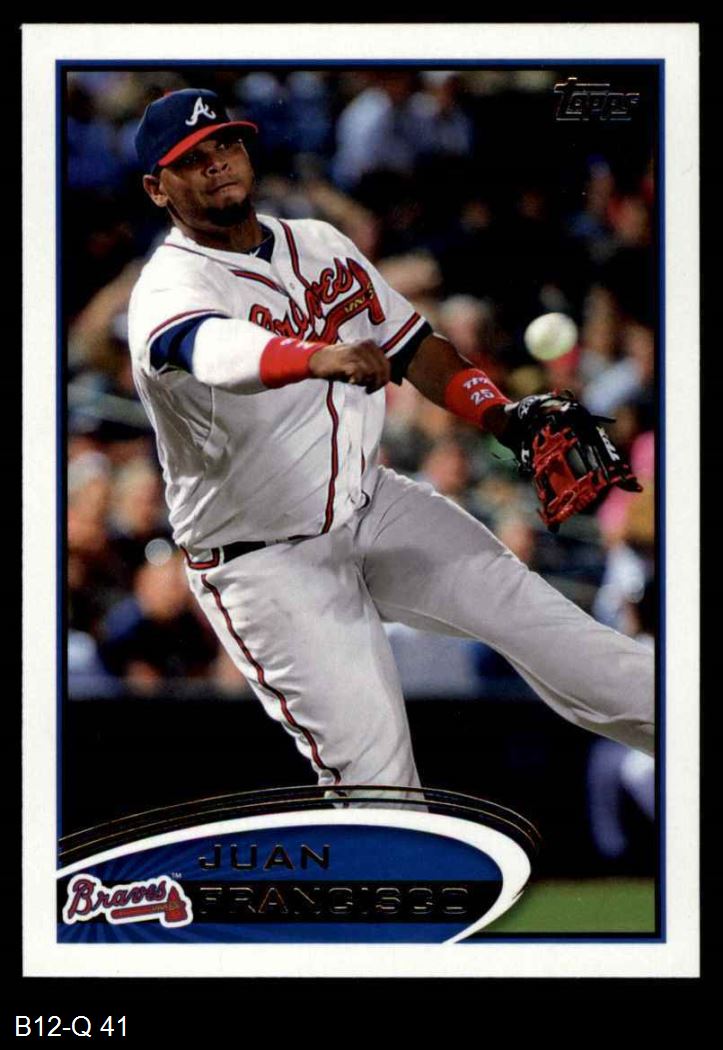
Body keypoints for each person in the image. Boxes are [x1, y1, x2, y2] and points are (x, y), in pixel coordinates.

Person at [127, 88, 654, 797]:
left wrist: (501, 416)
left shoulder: (317, 243)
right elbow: (215, 349)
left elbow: (412, 344)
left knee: (544, 622)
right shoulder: (169, 286)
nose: (217, 162)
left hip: (369, 503)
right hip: (262, 559)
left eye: (226, 144)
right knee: (379, 782)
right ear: (157, 188)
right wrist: (314, 356)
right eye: (192, 158)